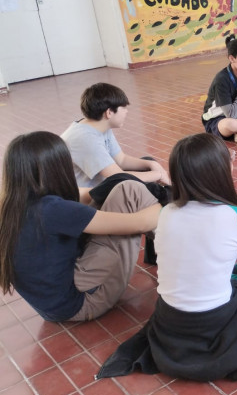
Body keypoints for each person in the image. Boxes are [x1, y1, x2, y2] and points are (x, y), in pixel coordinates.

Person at [98, 134, 237, 380]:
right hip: (224, 328)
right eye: (229, 159)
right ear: (219, 172)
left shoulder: (165, 213)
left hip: (170, 327)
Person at [0, 132, 160, 322]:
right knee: (133, 191)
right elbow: (141, 222)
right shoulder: (52, 209)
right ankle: (185, 260)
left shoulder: (12, 203)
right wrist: (162, 201)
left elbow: (87, 194)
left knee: (124, 189)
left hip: (54, 304)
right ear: (56, 168)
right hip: (83, 303)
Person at [61, 83, 171, 188]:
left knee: (148, 163)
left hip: (104, 182)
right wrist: (159, 175)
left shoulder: (100, 125)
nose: (126, 112)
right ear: (109, 113)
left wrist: (151, 164)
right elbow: (118, 176)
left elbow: (121, 160)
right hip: (88, 197)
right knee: (147, 186)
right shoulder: (85, 138)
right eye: (123, 108)